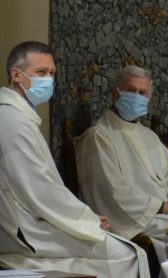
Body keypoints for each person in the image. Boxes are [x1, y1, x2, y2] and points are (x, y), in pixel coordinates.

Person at [0, 41, 150, 275]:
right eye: (41, 72)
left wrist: (84, 218)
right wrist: (86, 219)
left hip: (32, 219)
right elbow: (40, 189)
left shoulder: (20, 116)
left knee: (125, 250)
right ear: (16, 75)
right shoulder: (12, 121)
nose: (49, 80)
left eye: (52, 73)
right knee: (127, 254)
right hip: (25, 229)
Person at [75, 65, 168, 271]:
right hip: (136, 219)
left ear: (149, 99)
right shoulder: (98, 136)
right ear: (115, 93)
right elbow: (113, 192)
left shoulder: (148, 135)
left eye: (142, 93)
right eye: (131, 90)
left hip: (162, 215)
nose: (137, 97)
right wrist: (162, 206)